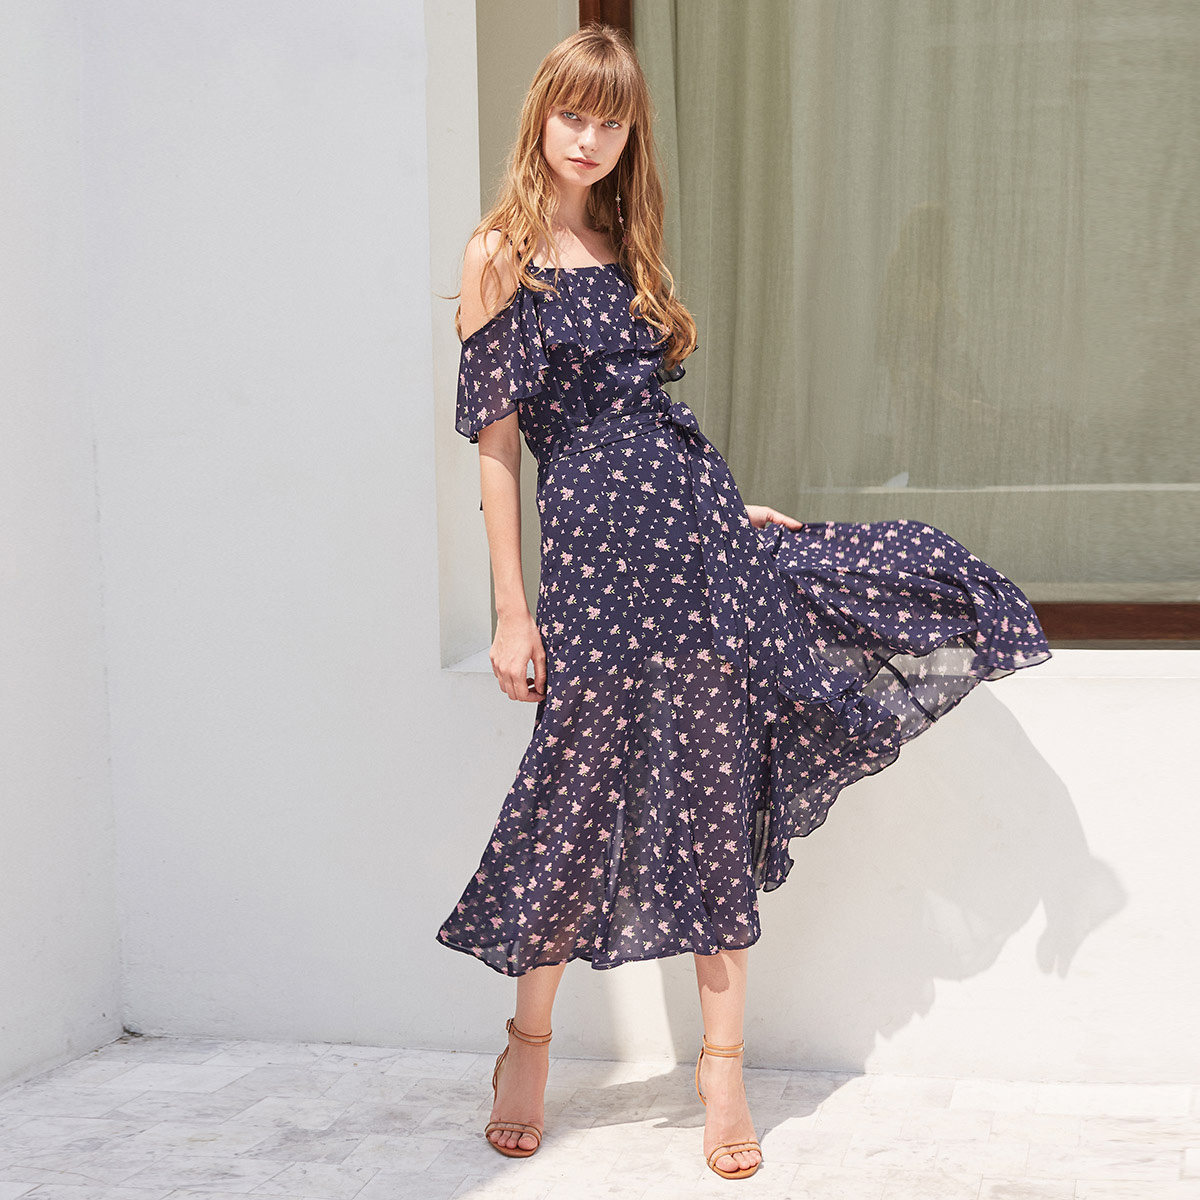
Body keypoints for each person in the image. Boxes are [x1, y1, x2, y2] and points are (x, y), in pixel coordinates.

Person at [436, 24, 1052, 1182]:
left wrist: (726, 510)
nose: (589, 137)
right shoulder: (498, 254)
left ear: (632, 135)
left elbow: (654, 419)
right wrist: (513, 611)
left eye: (611, 119)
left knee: (712, 794)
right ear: (541, 117)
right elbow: (498, 451)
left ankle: (722, 1070)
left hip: (698, 542)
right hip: (595, 566)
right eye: (573, 113)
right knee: (574, 794)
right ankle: (529, 1045)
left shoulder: (627, 244)